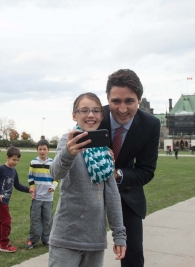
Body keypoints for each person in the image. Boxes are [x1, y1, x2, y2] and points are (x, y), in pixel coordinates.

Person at [49, 92, 126, 266]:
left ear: (101, 116)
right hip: (66, 237)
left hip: (95, 239)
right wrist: (68, 153)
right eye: (84, 110)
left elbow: (112, 195)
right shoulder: (67, 142)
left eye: (96, 111)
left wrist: (119, 234)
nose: (90, 115)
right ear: (74, 115)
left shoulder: (105, 150)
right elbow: (55, 173)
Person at [98, 69, 160, 267]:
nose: (122, 109)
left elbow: (146, 171)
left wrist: (116, 175)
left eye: (129, 101)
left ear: (139, 100)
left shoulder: (150, 124)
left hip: (126, 191)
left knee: (133, 254)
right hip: (92, 191)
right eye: (116, 101)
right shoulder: (95, 117)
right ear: (107, 100)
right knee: (81, 249)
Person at [0, 147, 35, 253]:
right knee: (6, 221)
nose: (15, 162)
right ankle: (4, 245)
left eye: (17, 160)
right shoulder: (1, 169)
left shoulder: (13, 171)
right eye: (13, 160)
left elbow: (17, 185)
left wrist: (29, 190)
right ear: (7, 157)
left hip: (5, 201)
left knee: (3, 222)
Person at [25, 139, 58, 250]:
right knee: (35, 218)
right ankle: (32, 239)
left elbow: (56, 177)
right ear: (37, 150)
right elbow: (30, 178)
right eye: (40, 149)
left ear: (48, 150)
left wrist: (53, 186)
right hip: (37, 197)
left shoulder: (52, 163)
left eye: (44, 149)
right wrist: (32, 189)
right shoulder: (33, 162)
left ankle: (46, 239)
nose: (42, 151)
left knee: (47, 219)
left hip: (48, 198)